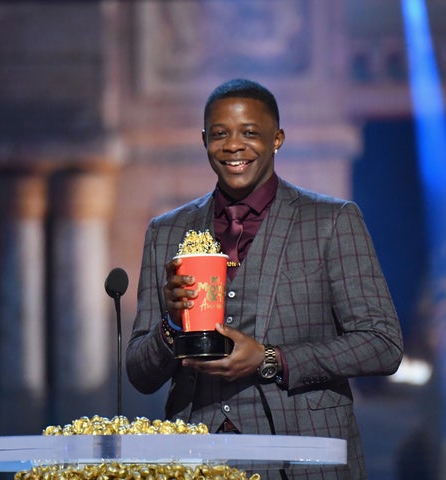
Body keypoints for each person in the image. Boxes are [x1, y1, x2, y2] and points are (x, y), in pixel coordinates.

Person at [126, 78, 403, 479]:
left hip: (303, 459)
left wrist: (272, 359)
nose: (233, 145)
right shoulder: (167, 232)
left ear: (277, 139)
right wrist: (170, 324)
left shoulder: (330, 221)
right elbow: (140, 373)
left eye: (250, 133)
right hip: (198, 459)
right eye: (220, 134)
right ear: (204, 140)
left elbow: (383, 344)